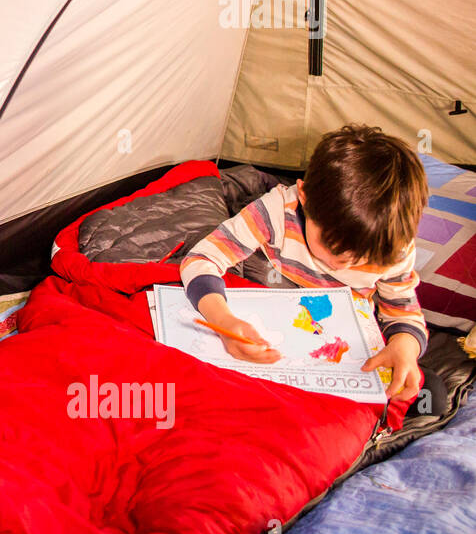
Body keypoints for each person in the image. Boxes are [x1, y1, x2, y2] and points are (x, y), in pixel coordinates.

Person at [180, 124, 428, 399]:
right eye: (333, 247)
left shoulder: (394, 248)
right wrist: (222, 320)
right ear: (303, 198)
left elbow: (404, 310)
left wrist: (405, 344)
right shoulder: (276, 212)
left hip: (337, 338)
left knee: (421, 390)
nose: (342, 265)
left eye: (363, 258)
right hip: (275, 296)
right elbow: (202, 258)